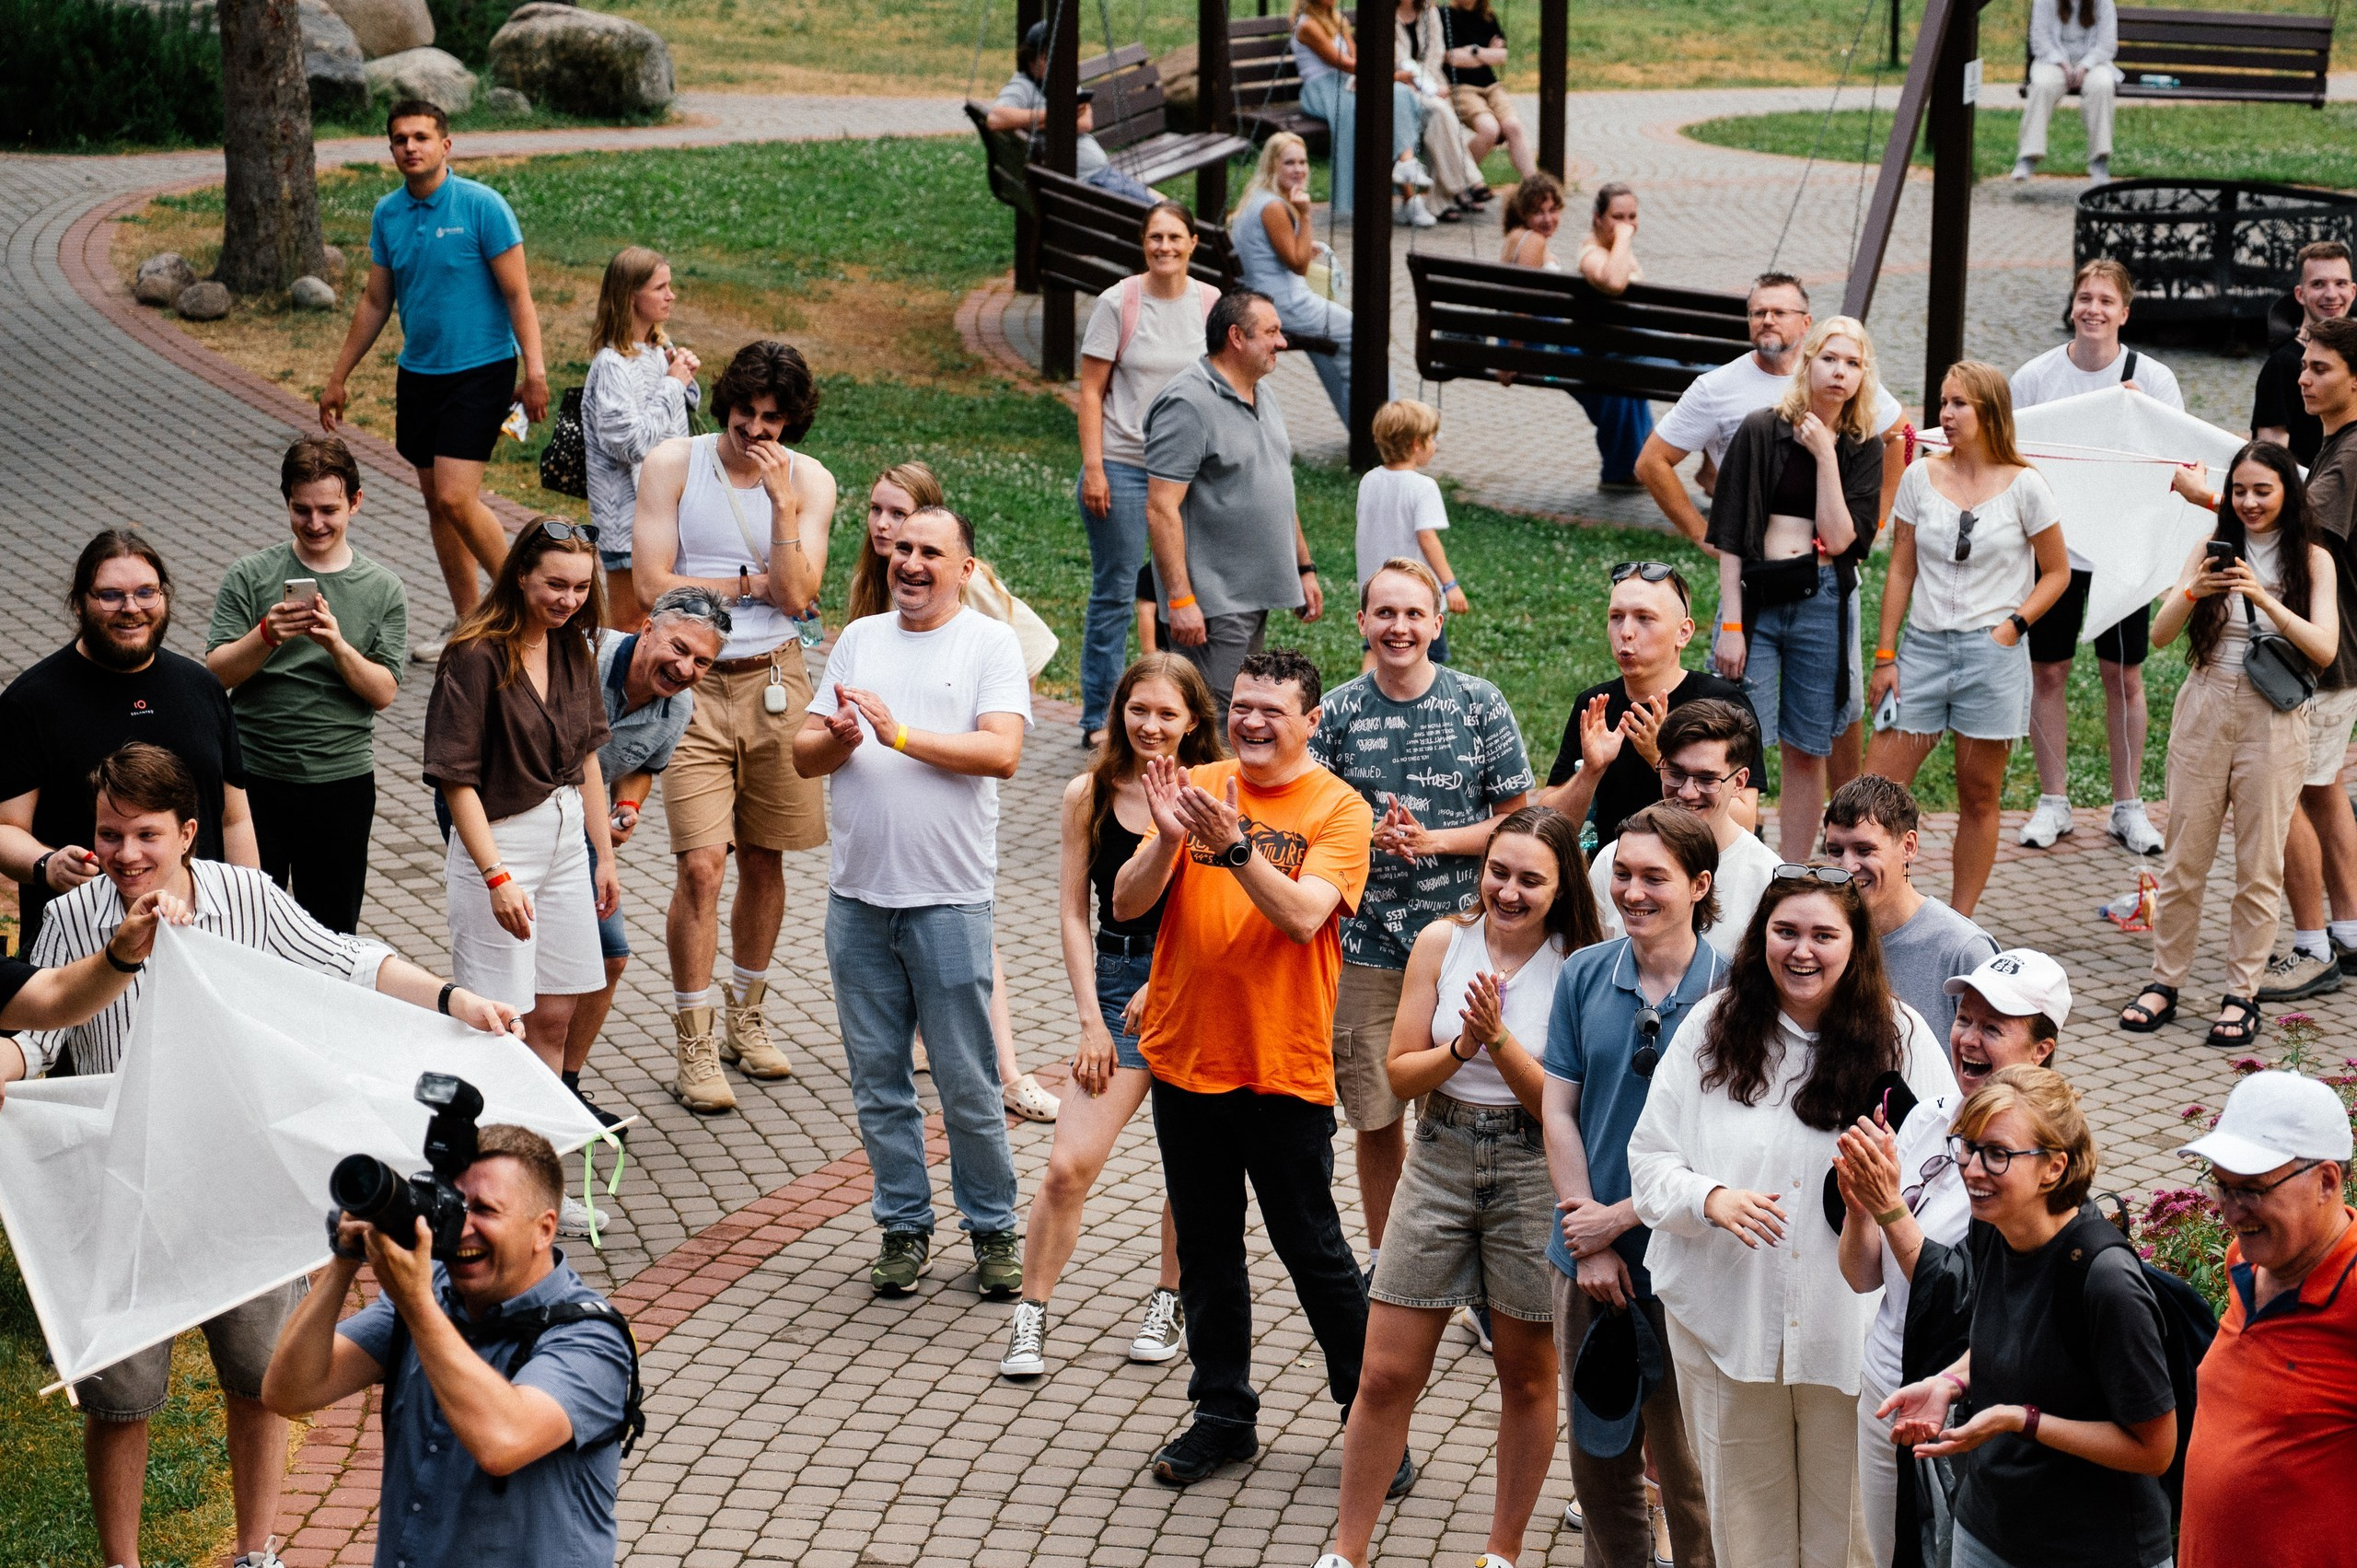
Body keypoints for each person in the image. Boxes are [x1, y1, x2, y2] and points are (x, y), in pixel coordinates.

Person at [21, 742, 521, 1568]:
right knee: (120, 1398)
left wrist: (454, 998)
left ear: (187, 833)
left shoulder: (245, 897)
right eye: (108, 834)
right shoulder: (75, 916)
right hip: (129, 1183)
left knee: (260, 1378)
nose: (124, 854)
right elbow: (35, 1035)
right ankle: (123, 1563)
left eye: (144, 834)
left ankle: (258, 1552)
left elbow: (347, 961)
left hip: (240, 1176)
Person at [1627, 867, 1957, 1568]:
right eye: (1786, 932)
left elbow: (1949, 1177)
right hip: (1727, 1322)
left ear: (1855, 944)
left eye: (1822, 935)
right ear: (1760, 938)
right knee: (1749, 1536)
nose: (1801, 950)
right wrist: (1710, 1198)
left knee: (1851, 1540)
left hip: (1854, 1335)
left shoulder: (1902, 1036)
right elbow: (1650, 1160)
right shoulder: (1710, 1030)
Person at [1112, 648, 1374, 1487]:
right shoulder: (1201, 781)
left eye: (1273, 710)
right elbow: (1125, 903)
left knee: (1317, 1254)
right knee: (1207, 1250)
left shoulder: (1340, 809)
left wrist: (1229, 847)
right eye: (1244, 705)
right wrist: (1169, 839)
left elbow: (1303, 917)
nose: (1253, 722)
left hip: (1280, 1069)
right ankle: (1222, 1412)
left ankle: (1374, 1420)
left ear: (1313, 720)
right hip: (1188, 1061)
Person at [1317, 807, 1598, 1568]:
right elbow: (1399, 1072)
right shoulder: (1443, 940)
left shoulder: (1581, 964)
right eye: (1498, 871)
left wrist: (1501, 1045)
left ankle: (1500, 1554)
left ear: (1561, 884)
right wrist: (1463, 1044)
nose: (1508, 891)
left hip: (1535, 1166)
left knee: (1529, 1374)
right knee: (1385, 1372)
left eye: (1530, 879)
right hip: (1439, 1154)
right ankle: (1348, 1552)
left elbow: (1563, 1108)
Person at [793, 505, 1033, 1299]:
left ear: (965, 568)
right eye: (901, 549)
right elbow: (803, 754)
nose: (911, 563)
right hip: (858, 900)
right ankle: (903, 1224)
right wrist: (838, 739)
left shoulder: (989, 644)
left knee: (966, 1081)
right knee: (878, 1081)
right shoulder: (859, 638)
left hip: (949, 901)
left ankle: (993, 1226)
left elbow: (1000, 752)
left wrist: (897, 736)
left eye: (931, 551)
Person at [262, 1124, 636, 1568]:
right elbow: (289, 1391)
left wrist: (417, 1304)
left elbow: (503, 1441)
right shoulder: (430, 1295)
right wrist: (344, 1259)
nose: (462, 1230)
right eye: (455, 1207)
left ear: (544, 1230)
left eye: (485, 1210)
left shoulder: (591, 1340)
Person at [999, 654, 1224, 1379]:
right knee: (1069, 1165)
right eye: (1139, 709)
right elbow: (1072, 912)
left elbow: (1224, 911)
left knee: (1193, 1171)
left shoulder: (1217, 793)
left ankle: (1172, 1297)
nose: (1152, 725)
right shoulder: (1087, 792)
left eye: (1168, 713)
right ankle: (1030, 1314)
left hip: (1199, 986)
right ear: (1120, 710)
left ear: (1193, 720)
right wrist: (1091, 1020)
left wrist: (1168, 979)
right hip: (1118, 977)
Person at [1310, 559, 1534, 1272]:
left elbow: (1517, 820)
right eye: (1385, 613)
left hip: (1465, 937)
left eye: (1414, 614)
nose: (1399, 627)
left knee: (1461, 1105)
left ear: (1438, 624)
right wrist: (1359, 837)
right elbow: (1305, 815)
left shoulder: (1478, 703)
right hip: (1366, 944)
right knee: (1376, 1113)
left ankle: (1469, 1257)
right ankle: (1389, 1256)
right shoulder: (1339, 712)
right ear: (1363, 624)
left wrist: (1435, 839)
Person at [633, 340, 834, 1114]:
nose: (754, 432)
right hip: (690, 682)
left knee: (764, 858)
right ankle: (693, 1036)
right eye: (745, 414)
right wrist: (746, 582)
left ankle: (746, 1018)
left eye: (772, 420)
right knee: (701, 867)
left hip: (778, 681)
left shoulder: (811, 482)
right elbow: (654, 582)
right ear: (726, 406)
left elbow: (798, 592)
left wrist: (781, 508)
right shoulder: (674, 464)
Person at [1880, 1066, 2178, 1568]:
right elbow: (2010, 1336)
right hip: (1986, 1530)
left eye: (1998, 1154)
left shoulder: (2105, 1281)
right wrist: (1950, 1384)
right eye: (1968, 1147)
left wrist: (2023, 1420)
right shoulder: (1994, 1227)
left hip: (2090, 1551)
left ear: (2054, 1168)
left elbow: (2155, 1450)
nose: (1973, 1169)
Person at [1831, 947, 2073, 1568]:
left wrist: (1889, 1208)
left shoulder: (2032, 1162)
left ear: (2041, 1048)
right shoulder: (1925, 1121)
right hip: (1886, 1383)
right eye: (1964, 1018)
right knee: (1890, 1554)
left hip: (1962, 1401)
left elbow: (1960, 1294)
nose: (1968, 1037)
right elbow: (1864, 1278)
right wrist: (1860, 1205)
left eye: (1993, 1027)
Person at [1544, 802, 1729, 1568]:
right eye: (1622, 872)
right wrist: (1587, 1239)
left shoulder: (1736, 992)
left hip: (1692, 1260)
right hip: (1588, 1259)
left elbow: (1734, 1151)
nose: (1633, 891)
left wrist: (1617, 1219)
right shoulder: (1587, 972)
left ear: (1699, 884)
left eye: (1655, 876)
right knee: (1600, 1464)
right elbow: (1559, 1109)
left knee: (1689, 1470)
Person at [2119, 442, 2339, 1045]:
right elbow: (2162, 635)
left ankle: (2241, 993)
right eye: (2239, 490)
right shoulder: (2208, 549)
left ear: (2287, 495)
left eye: (2262, 490)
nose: (2248, 502)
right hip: (2206, 704)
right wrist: (2195, 590)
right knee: (2185, 860)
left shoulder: (2314, 561)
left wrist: (2262, 596)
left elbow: (2324, 648)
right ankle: (2165, 981)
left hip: (2274, 715)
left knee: (2259, 867)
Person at [319, 100, 549, 646]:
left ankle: (528, 612)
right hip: (419, 375)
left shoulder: (482, 207)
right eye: (399, 139)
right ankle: (473, 626)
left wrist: (535, 370)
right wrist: (338, 376)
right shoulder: (388, 214)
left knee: (454, 498)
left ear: (445, 145)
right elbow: (376, 300)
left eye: (421, 137)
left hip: (482, 370)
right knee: (438, 506)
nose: (409, 147)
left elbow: (519, 295)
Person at [1866, 361, 2072, 917]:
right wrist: (1886, 657)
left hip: (1994, 655)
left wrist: (2012, 628)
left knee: (1979, 794)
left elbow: (2058, 572)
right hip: (1922, 650)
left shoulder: (2026, 485)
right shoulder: (1919, 476)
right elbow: (1901, 570)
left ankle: (1958, 924)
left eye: (1959, 404)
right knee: (1875, 792)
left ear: (1990, 412)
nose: (1946, 415)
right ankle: (1875, 910)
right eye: (1943, 402)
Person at [424, 518, 620, 1081]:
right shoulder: (474, 653)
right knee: (499, 1023)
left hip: (564, 839)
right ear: (520, 576)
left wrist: (602, 856)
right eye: (555, 585)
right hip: (500, 841)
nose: (569, 600)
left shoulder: (573, 645)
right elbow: (455, 779)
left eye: (581, 588)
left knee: (557, 1014)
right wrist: (495, 877)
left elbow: (587, 758)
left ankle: (540, 1149)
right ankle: (491, 1151)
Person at [0, 528, 257, 954]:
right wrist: (46, 865)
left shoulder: (201, 687)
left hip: (202, 934)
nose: (131, 609)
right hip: (84, 943)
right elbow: (7, 828)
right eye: (110, 595)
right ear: (80, 602)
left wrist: (250, 911)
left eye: (146, 592)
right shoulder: (32, 702)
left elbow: (235, 820)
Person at [2010, 258, 2185, 855]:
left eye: (2106, 301)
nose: (2093, 309)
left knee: (2123, 675)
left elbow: (2175, 462)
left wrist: (2140, 421)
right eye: (2085, 297)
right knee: (2048, 671)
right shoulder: (2035, 376)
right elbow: (2009, 453)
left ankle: (2128, 804)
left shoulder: (2153, 380)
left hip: (2120, 548)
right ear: (2073, 305)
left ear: (2125, 312)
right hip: (2054, 547)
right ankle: (2053, 799)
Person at [204, 436, 407, 935]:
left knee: (333, 932)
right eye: (301, 510)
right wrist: (267, 635)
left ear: (355, 503)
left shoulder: (383, 589)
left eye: (328, 510)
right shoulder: (250, 576)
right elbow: (214, 675)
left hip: (340, 782)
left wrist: (337, 646)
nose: (315, 524)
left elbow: (383, 692)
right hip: (252, 778)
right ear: (286, 502)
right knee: (245, 928)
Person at [1708, 316, 1888, 857]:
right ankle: (1738, 859)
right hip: (1757, 599)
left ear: (1863, 376)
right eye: (1829, 359)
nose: (1839, 372)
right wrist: (1733, 625)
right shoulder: (1762, 428)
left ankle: (1790, 870)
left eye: (1852, 364)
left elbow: (1839, 540)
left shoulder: (1863, 446)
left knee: (1807, 748)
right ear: (1807, 363)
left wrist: (1826, 456)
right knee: (1738, 743)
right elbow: (1732, 537)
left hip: (1823, 600)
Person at [558, 587, 729, 1151]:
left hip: (579, 830)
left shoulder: (677, 707)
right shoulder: (580, 656)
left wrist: (627, 806)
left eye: (702, 662)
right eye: (678, 648)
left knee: (610, 952)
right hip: (510, 811)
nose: (685, 668)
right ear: (649, 627)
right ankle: (520, 1084)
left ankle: (564, 1086)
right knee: (537, 954)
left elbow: (642, 766)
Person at [2176, 1069, 2357, 1568]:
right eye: (2223, 1187)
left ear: (2325, 1181)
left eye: (2252, 1190)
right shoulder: (2246, 1261)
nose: (2231, 1213)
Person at [1077, 200, 1221, 747]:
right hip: (1122, 463)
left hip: (1186, 471)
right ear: (1144, 244)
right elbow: (1091, 389)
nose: (1165, 247)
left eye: (1175, 237)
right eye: (1155, 237)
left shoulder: (1209, 304)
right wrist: (1095, 468)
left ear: (1192, 243)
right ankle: (1100, 716)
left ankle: (1183, 714)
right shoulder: (1119, 303)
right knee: (1115, 589)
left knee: (1186, 586)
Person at [1144, 289, 1325, 719]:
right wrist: (1181, 600)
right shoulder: (1186, 403)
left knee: (1236, 713)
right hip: (1212, 601)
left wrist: (1304, 567)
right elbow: (1160, 507)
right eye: (1272, 332)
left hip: (1255, 592)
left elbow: (1278, 488)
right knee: (1212, 718)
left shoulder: (1264, 394)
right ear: (1236, 337)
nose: (1282, 342)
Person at [1640, 272, 1906, 544]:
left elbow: (1902, 435)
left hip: (1833, 550)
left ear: (1806, 323)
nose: (1767, 320)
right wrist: (1702, 535)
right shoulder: (1715, 388)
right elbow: (1651, 462)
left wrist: (1877, 520)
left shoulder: (1835, 374)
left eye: (1779, 312)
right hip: (1754, 555)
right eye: (1758, 313)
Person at [1537, 561, 1757, 848]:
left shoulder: (1721, 702)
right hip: (1612, 875)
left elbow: (1745, 823)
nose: (1626, 631)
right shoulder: (1596, 706)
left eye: (1644, 618)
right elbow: (1549, 826)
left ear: (1684, 633)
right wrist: (1590, 771)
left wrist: (1662, 760)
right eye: (1616, 617)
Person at [2276, 316, 2357, 981]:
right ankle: (2350, 931)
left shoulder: (2352, 453)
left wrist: (2213, 495)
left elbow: (2291, 523)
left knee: (2286, 795)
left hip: (2325, 657)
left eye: (2321, 368)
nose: (2304, 377)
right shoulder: (2337, 444)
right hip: (2336, 654)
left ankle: (2311, 948)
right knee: (2326, 792)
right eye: (2305, 365)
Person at [1589, 700, 1778, 960]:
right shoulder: (1614, 861)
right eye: (1675, 774)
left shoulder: (1767, 877)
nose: (1687, 793)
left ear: (1739, 782)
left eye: (1707, 779)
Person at [581, 246, 702, 632]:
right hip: (625, 520)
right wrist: (671, 385)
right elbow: (629, 444)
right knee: (629, 624)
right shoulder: (612, 365)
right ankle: (613, 692)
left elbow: (675, 424)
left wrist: (683, 376)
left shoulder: (656, 349)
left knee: (661, 620)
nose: (671, 295)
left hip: (666, 511)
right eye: (660, 287)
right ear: (631, 296)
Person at [1821, 774, 1998, 1037]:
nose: (1848, 867)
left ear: (1909, 846)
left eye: (1864, 850)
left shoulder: (1962, 950)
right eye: (1835, 851)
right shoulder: (1817, 935)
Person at [1230, 134, 1356, 425]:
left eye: (1303, 162)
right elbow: (1298, 266)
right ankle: (1388, 424)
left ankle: (1357, 423)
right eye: (1289, 163)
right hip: (1283, 304)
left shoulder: (1258, 197)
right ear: (1273, 165)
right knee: (1360, 333)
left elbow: (1285, 253)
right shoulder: (1274, 207)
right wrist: (1306, 216)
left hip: (1261, 296)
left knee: (1328, 345)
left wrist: (1300, 240)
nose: (1299, 169)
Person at [987, 21, 1156, 203]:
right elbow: (995, 119)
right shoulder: (1022, 86)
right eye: (1046, 57)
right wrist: (1056, 115)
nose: (1057, 62)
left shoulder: (1063, 79)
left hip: (1100, 174)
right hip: (1089, 182)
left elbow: (1085, 123)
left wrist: (1041, 124)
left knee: (1162, 203)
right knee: (1157, 210)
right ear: (1031, 60)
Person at [1290, 0, 1428, 221]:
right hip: (1322, 89)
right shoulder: (1307, 25)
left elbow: (1355, 59)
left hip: (1347, 81)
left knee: (1399, 95)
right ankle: (1405, 194)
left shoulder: (1337, 20)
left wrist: (1376, 77)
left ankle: (1406, 165)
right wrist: (1387, 75)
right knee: (1366, 109)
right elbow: (1342, 62)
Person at [1355, 401, 1468, 667]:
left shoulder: (1369, 480)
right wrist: (1450, 585)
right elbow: (1427, 538)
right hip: (1415, 592)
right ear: (1417, 444)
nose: (1435, 445)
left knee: (1375, 648)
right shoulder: (1423, 487)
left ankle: (1364, 700)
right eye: (1432, 438)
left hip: (1376, 588)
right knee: (1429, 655)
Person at [1571, 183, 1655, 488]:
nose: (1627, 225)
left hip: (1625, 349)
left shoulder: (1612, 249)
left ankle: (1623, 470)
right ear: (1597, 217)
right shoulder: (1592, 253)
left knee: (1627, 385)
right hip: (1611, 352)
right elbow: (1614, 282)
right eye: (1617, 217)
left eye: (1632, 216)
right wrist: (1622, 237)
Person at [2251, 239, 2352, 465]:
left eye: (2341, 283)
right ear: (2300, 294)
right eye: (2318, 284)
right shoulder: (2282, 366)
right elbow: (2272, 460)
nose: (2331, 294)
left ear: (2353, 291)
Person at [2013, 0, 2121, 185]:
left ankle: (2099, 160)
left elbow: (2107, 44)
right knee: (2042, 85)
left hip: (2093, 63)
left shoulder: (2103, 2)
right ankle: (2029, 156)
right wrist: (2063, 64)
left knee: (2102, 85)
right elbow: (2039, 40)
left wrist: (2084, 66)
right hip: (2053, 62)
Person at [1394, 0, 1482, 224]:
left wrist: (1429, 84)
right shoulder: (1388, 14)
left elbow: (1436, 53)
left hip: (1432, 84)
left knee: (1438, 118)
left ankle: (1441, 202)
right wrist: (1418, 83)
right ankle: (1468, 183)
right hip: (1401, 88)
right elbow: (1397, 61)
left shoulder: (1429, 12)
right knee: (1440, 112)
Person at [1439, 0, 1532, 181]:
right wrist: (1487, 53)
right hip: (1461, 87)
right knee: (1489, 129)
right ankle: (1459, 181)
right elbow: (1451, 57)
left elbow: (1502, 56)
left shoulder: (1487, 16)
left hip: (1491, 85)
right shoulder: (1444, 15)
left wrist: (1473, 51)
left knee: (1513, 126)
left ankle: (1534, 186)